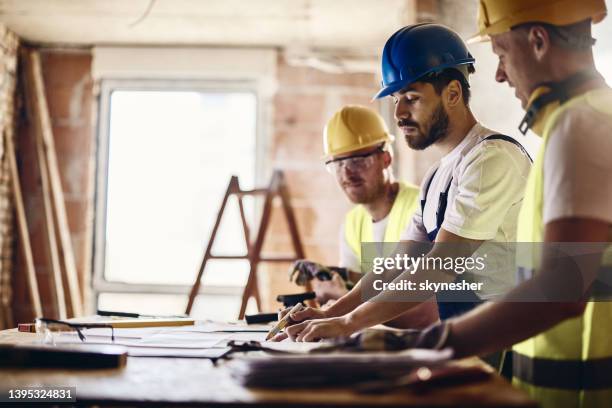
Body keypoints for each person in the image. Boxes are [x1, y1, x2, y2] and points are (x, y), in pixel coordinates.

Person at [274, 23, 531, 340]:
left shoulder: (492, 159)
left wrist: (349, 323)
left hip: (506, 338)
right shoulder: (438, 174)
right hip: (467, 334)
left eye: (411, 98)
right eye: (397, 99)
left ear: (452, 93)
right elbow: (397, 264)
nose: (399, 114)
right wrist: (332, 313)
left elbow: (439, 265)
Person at [290, 105, 438, 328]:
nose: (347, 173)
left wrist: (341, 301)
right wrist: (329, 275)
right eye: (338, 164)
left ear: (386, 159)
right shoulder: (353, 222)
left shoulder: (422, 208)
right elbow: (368, 282)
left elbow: (425, 312)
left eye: (358, 161)